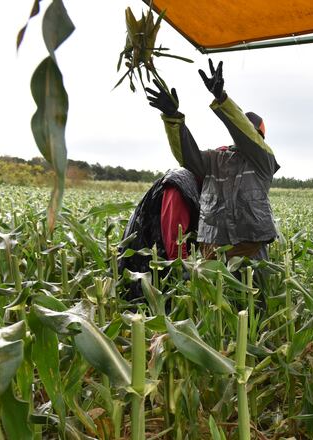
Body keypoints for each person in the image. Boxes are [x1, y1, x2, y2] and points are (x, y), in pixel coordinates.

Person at [145, 59, 279, 261]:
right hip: (212, 250)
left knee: (253, 291)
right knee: (212, 293)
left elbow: (246, 135)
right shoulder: (216, 159)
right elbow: (187, 156)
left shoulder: (263, 160)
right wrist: (172, 117)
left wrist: (222, 98)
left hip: (249, 249)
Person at [119, 168, 200, 300]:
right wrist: (186, 274)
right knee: (149, 304)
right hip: (148, 259)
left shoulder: (193, 184)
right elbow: (175, 243)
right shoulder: (179, 187)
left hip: (159, 258)